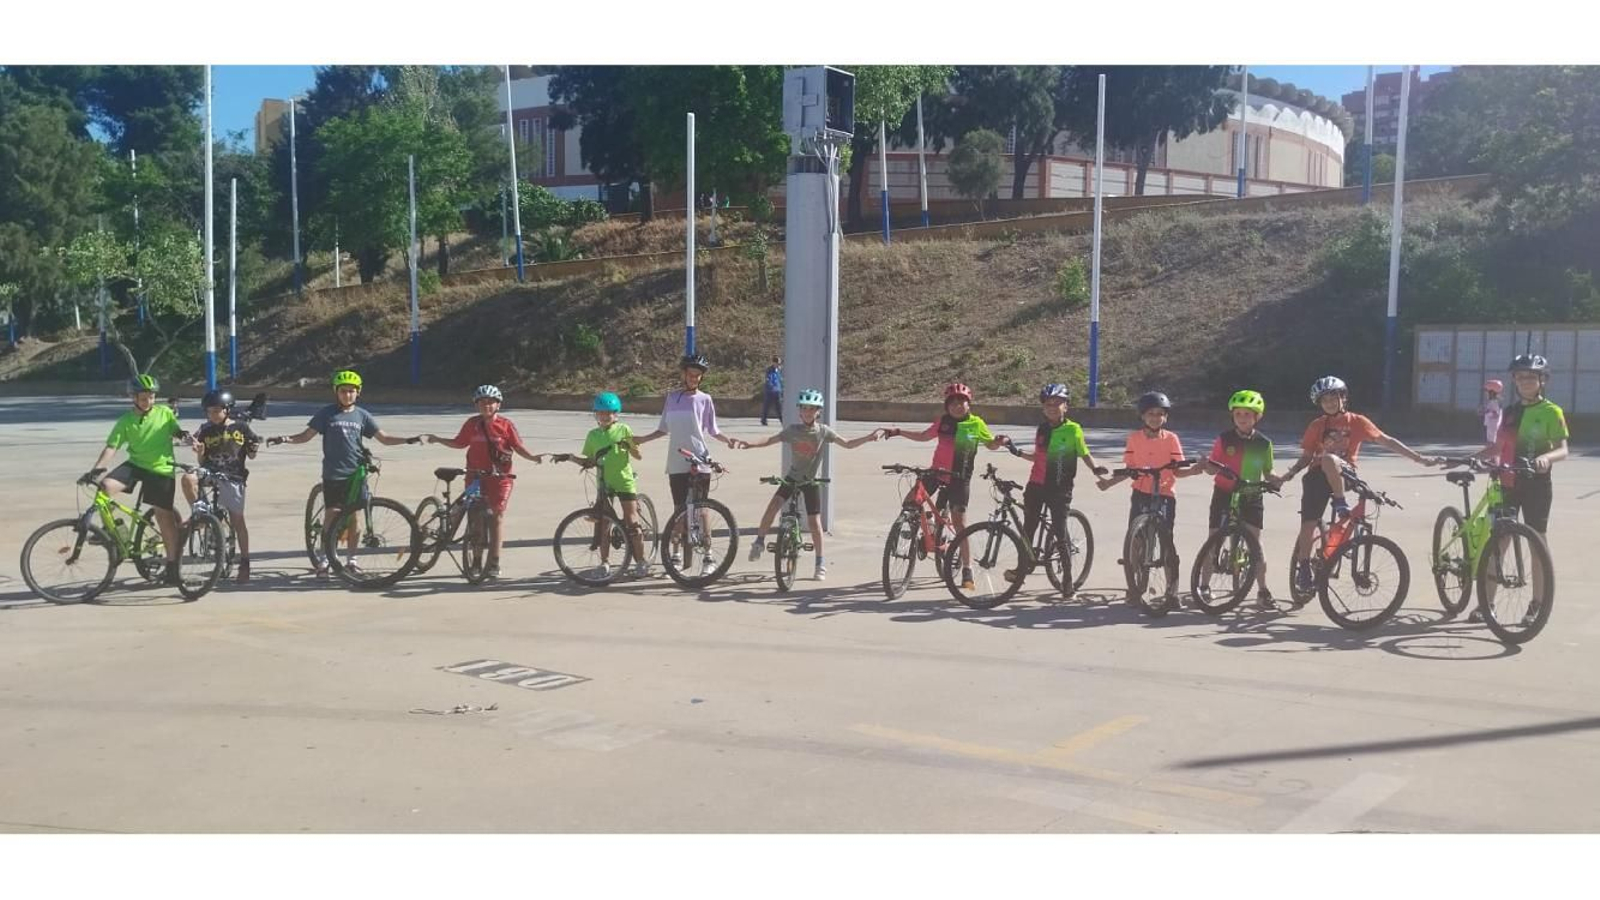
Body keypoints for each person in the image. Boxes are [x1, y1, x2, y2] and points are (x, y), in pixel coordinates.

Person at [1279, 376, 1438, 595]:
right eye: (1324, 401)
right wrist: (1289, 474)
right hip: (1317, 476)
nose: (1330, 403)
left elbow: (1387, 441)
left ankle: (1340, 503)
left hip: (1345, 474)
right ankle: (1304, 567)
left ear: (1343, 397)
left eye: (1333, 398)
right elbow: (1307, 456)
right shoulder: (1317, 425)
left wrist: (1418, 458)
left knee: (1330, 460)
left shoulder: (1357, 421)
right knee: (1309, 521)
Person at [268, 370, 424, 577]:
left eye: (351, 391)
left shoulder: (362, 415)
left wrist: (408, 440)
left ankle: (352, 560)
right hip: (334, 473)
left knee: (354, 518)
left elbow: (384, 438)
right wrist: (285, 439)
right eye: (343, 391)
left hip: (356, 472)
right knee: (332, 517)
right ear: (336, 392)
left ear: (358, 393)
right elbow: (305, 436)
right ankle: (324, 560)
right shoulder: (326, 413)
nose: (347, 395)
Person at [736, 388, 880, 581]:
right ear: (799, 411)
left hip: (811, 481)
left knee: (814, 523)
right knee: (773, 506)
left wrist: (868, 438)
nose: (808, 412)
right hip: (792, 478)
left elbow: (847, 443)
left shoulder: (823, 431)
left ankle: (820, 563)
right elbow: (771, 440)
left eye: (812, 409)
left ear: (818, 412)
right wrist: (751, 444)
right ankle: (759, 542)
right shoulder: (792, 431)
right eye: (804, 408)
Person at [882, 383, 1013, 591]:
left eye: (961, 402)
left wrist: (999, 441)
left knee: (959, 523)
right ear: (947, 406)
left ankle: (967, 568)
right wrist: (898, 431)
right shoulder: (943, 422)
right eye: (952, 402)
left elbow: (990, 444)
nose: (957, 406)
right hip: (936, 472)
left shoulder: (976, 424)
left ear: (968, 404)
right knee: (910, 501)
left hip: (960, 478)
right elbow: (924, 436)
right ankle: (925, 525)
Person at [634, 353, 741, 576]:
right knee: (679, 511)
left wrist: (728, 440)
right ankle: (676, 553)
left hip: (699, 460)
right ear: (683, 374)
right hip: (676, 461)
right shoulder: (672, 398)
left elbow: (713, 430)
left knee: (702, 510)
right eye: (691, 374)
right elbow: (663, 429)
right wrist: (641, 439)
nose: (694, 379)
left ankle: (708, 557)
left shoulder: (705, 399)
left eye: (698, 376)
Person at [421, 385, 541, 580]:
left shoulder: (506, 425)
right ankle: (476, 560)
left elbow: (518, 447)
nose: (487, 406)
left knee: (496, 517)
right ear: (476, 405)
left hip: (500, 479)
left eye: (491, 402)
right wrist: (438, 439)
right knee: (475, 519)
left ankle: (494, 562)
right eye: (482, 402)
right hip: (475, 477)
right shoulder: (472, 424)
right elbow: (459, 443)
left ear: (498, 405)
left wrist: (533, 458)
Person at [1097, 391, 1204, 604]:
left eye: (1160, 414)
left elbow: (1178, 470)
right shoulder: (1134, 439)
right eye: (1150, 414)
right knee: (1137, 541)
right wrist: (1109, 482)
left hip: (1164, 494)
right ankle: (1135, 587)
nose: (1155, 418)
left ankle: (1171, 591)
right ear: (1142, 416)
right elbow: (1130, 469)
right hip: (1141, 493)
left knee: (1166, 542)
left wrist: (1193, 470)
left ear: (1165, 417)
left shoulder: (1172, 439)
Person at [83, 374, 187, 586]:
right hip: (136, 465)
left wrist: (187, 437)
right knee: (104, 488)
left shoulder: (165, 413)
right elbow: (112, 447)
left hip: (161, 468)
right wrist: (97, 469)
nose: (147, 401)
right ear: (133, 398)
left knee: (163, 517)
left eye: (151, 397)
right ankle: (114, 534)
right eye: (143, 397)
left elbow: (177, 431)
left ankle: (172, 565)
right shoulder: (125, 421)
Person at [1004, 383, 1108, 593]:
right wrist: (1014, 450)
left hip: (1060, 487)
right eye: (1048, 404)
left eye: (1057, 404)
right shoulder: (1042, 429)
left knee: (1060, 531)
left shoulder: (1073, 429)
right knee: (1028, 529)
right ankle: (1023, 568)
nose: (1052, 407)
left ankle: (1068, 577)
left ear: (1066, 407)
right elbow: (1037, 458)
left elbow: (1084, 452)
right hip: (1036, 484)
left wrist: (1095, 468)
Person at [553, 392, 652, 579]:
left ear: (616, 414)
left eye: (609, 413)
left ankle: (641, 561)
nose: (605, 416)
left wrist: (629, 446)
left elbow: (638, 456)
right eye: (601, 413)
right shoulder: (592, 436)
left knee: (631, 522)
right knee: (604, 523)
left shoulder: (624, 429)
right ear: (595, 414)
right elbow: (589, 461)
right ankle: (604, 562)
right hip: (603, 482)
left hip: (623, 480)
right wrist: (570, 457)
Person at [1197, 389, 1278, 608]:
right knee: (1214, 540)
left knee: (1256, 544)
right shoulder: (1224, 439)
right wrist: (1206, 465)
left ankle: (1263, 590)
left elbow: (1268, 472)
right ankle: (1204, 585)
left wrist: (1277, 479)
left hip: (1251, 495)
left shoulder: (1264, 443)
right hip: (1225, 493)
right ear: (1233, 416)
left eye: (1248, 414)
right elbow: (1213, 468)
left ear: (1256, 417)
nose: (1242, 418)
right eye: (1238, 414)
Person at [1478, 354, 1568, 535]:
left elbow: (1563, 450)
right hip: (1507, 483)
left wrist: (1546, 458)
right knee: (1499, 539)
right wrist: (1461, 460)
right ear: (1515, 381)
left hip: (1537, 484)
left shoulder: (1552, 412)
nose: (1525, 381)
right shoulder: (1510, 412)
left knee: (1538, 539)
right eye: (1520, 377)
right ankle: (1492, 565)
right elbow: (1496, 448)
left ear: (1542, 380)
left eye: (1531, 377)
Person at [180, 390, 262, 582]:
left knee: (237, 520)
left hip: (233, 476)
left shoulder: (240, 428)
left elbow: (251, 455)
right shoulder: (205, 429)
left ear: (227, 410)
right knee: (188, 478)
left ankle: (245, 561)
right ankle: (201, 512)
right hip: (209, 472)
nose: (213, 415)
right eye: (209, 411)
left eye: (217, 410)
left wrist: (253, 448)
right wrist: (199, 451)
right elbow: (201, 460)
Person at [1481, 379, 1504, 447]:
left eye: (1486, 391)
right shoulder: (1493, 402)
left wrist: (1486, 412)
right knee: (1490, 441)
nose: (1485, 393)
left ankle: (1493, 456)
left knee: (1491, 442)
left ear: (1491, 392)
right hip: (1491, 425)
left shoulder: (1494, 402)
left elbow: (1495, 414)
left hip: (1493, 425)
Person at [761, 357, 783, 427]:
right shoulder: (769, 370)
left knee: (779, 406)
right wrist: (771, 386)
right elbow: (768, 379)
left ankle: (782, 420)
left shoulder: (778, 370)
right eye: (778, 363)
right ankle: (763, 420)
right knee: (767, 406)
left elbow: (780, 379)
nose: (779, 365)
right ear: (774, 362)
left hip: (777, 391)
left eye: (780, 363)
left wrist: (781, 387)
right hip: (770, 391)